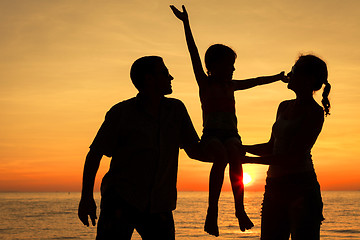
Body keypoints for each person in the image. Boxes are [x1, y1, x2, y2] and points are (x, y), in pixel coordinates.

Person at [170, 5, 287, 236]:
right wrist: (186, 23)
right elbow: (193, 52)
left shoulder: (231, 85)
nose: (233, 69)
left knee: (235, 155)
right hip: (211, 135)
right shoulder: (205, 83)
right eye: (229, 65)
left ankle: (239, 209)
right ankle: (212, 212)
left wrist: (277, 77)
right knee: (221, 156)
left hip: (232, 135)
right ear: (213, 66)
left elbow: (255, 81)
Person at [78, 56, 209, 240]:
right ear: (149, 79)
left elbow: (195, 151)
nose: (171, 77)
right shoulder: (120, 113)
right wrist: (86, 198)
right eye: (165, 73)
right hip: (120, 202)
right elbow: (94, 154)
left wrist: (233, 152)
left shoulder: (176, 110)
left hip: (160, 206)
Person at [242, 54, 331, 239]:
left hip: (301, 188)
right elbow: (270, 147)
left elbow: (292, 158)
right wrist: (242, 148)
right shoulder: (283, 106)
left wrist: (247, 160)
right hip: (274, 187)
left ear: (309, 79)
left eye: (295, 71)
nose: (289, 74)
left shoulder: (314, 112)